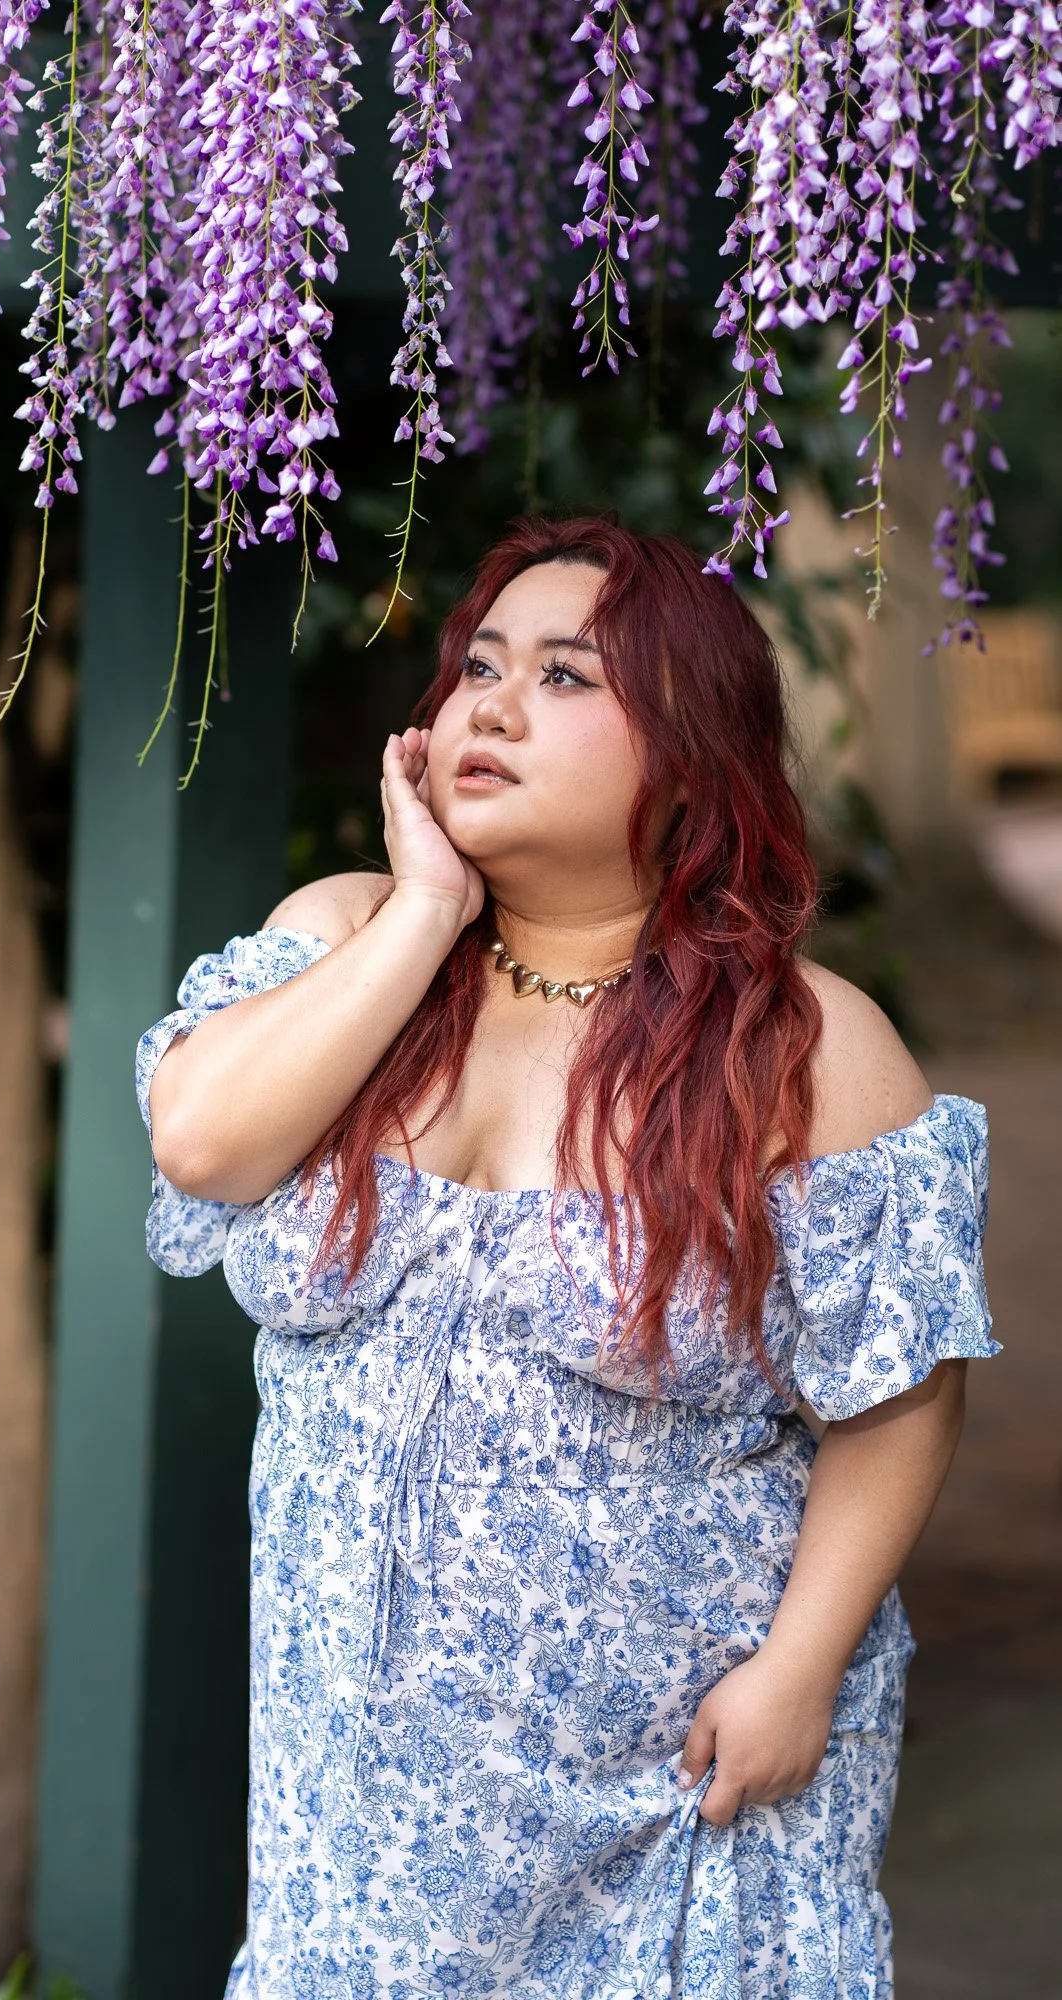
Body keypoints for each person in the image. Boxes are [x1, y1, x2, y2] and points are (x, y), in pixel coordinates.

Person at [136, 515, 998, 1999]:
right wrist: (422, 911)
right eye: (474, 667)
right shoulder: (345, 940)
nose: (487, 703)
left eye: (562, 675)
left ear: (690, 746)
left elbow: (896, 1386)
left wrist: (799, 1668)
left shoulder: (797, 1046)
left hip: (670, 1778)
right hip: (367, 1798)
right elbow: (203, 1143)